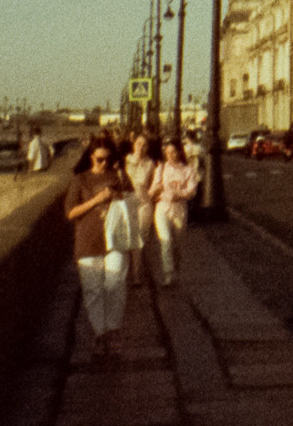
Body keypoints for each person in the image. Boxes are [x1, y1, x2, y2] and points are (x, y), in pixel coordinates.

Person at [65, 137, 129, 358]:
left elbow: (129, 203)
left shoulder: (117, 176)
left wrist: (122, 185)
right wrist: (97, 199)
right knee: (93, 291)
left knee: (115, 284)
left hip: (116, 239)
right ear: (91, 156)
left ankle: (113, 330)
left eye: (108, 158)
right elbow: (71, 212)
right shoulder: (80, 180)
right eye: (100, 159)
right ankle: (100, 334)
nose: (104, 163)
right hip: (88, 241)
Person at [152, 135, 198, 285]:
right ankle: (168, 274)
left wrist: (178, 194)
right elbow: (152, 190)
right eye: (167, 152)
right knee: (166, 241)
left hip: (179, 209)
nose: (170, 155)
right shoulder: (161, 168)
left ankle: (176, 271)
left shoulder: (188, 170)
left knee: (176, 245)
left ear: (179, 152)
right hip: (162, 208)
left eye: (173, 152)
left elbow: (192, 191)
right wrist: (155, 190)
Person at [125, 131, 161, 282]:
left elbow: (155, 183)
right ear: (133, 145)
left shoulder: (150, 164)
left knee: (139, 238)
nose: (141, 147)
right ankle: (125, 270)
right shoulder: (125, 161)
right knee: (126, 236)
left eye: (144, 145)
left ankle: (136, 274)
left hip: (143, 204)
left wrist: (152, 193)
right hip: (126, 203)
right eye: (138, 144)